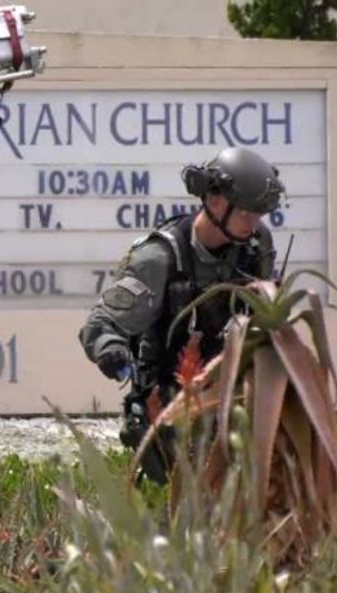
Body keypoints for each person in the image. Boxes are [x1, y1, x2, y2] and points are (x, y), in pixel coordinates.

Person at [78, 146, 284, 483]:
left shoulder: (256, 245)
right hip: (174, 403)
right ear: (215, 201)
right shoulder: (160, 258)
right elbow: (101, 323)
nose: (254, 223)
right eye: (246, 213)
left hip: (238, 394)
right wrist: (111, 351)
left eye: (258, 215)